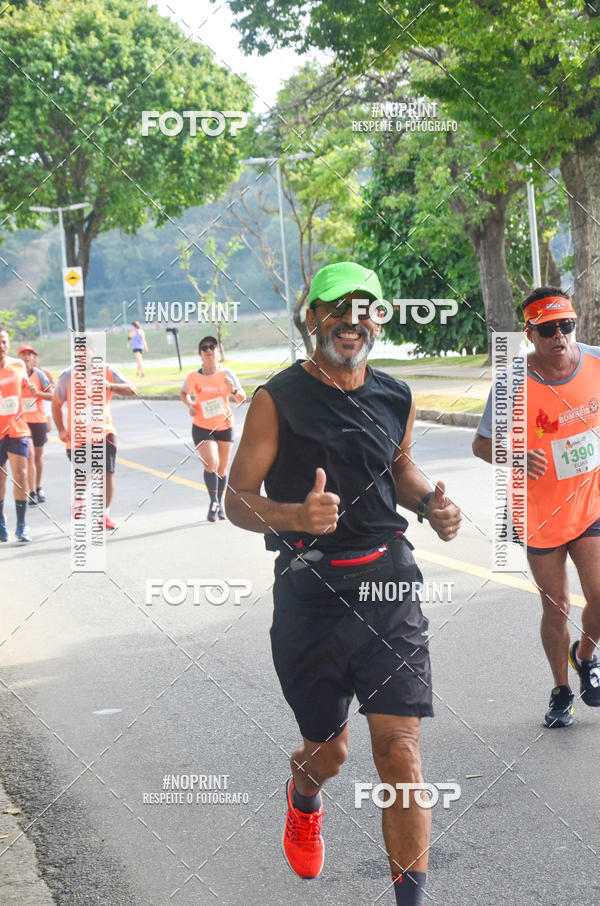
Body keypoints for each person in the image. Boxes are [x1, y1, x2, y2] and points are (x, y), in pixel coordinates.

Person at [226, 262, 461, 906]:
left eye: (367, 309)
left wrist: (429, 506)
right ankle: (304, 798)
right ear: (312, 319)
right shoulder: (278, 400)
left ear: (380, 319)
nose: (352, 321)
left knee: (400, 752)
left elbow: (401, 470)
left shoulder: (395, 395)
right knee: (327, 754)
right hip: (312, 595)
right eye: (338, 308)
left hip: (389, 585)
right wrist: (295, 516)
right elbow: (236, 499)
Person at [473, 286, 600, 728]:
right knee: (557, 606)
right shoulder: (511, 382)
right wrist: (515, 455)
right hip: (537, 513)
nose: (560, 336)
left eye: (566, 325)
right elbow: (482, 444)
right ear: (530, 334)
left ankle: (585, 656)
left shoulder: (597, 361)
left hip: (589, 504)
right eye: (548, 330)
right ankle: (562, 690)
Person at [52, 350, 135, 530]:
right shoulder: (67, 376)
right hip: (78, 435)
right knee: (85, 473)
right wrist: (60, 429)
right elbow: (55, 403)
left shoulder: (107, 370)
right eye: (78, 353)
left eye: (86, 352)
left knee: (106, 471)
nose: (82, 356)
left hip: (104, 431)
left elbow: (132, 389)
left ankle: (103, 515)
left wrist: (109, 386)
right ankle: (79, 497)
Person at [180, 336, 246, 523]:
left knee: (222, 469)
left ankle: (220, 504)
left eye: (212, 347)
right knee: (211, 463)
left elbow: (242, 398)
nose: (209, 350)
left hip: (224, 426)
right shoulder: (193, 377)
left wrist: (233, 390)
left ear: (217, 351)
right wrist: (190, 404)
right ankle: (214, 502)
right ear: (200, 354)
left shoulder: (227, 374)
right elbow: (183, 393)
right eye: (205, 347)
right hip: (201, 426)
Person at [0, 327, 32, 542]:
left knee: (20, 476)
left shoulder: (18, 365)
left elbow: (28, 391)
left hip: (17, 429)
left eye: (4, 341)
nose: (1, 345)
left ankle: (22, 525)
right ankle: (1, 521)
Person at [17, 344, 54, 505]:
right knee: (30, 454)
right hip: (22, 422)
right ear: (19, 357)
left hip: (38, 420)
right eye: (23, 354)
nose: (26, 357)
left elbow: (52, 396)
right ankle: (31, 491)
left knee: (38, 456)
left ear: (33, 358)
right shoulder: (16, 375)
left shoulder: (40, 375)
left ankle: (38, 487)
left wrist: (37, 393)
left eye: (29, 354)